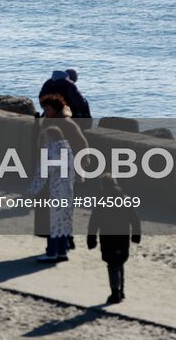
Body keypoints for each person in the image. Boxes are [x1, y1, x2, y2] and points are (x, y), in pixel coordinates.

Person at [87, 175, 141, 304]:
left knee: (112, 265)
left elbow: (93, 222)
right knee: (120, 263)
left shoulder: (101, 201)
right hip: (123, 237)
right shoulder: (125, 199)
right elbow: (135, 220)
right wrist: (136, 236)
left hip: (108, 238)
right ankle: (121, 290)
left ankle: (115, 292)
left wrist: (91, 239)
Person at [29, 122, 76, 263]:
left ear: (50, 138)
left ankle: (51, 252)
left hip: (55, 190)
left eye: (43, 138)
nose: (42, 141)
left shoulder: (48, 151)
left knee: (53, 222)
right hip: (67, 190)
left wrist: (32, 191)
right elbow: (73, 171)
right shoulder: (67, 149)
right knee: (64, 221)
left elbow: (42, 175)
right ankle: (62, 251)